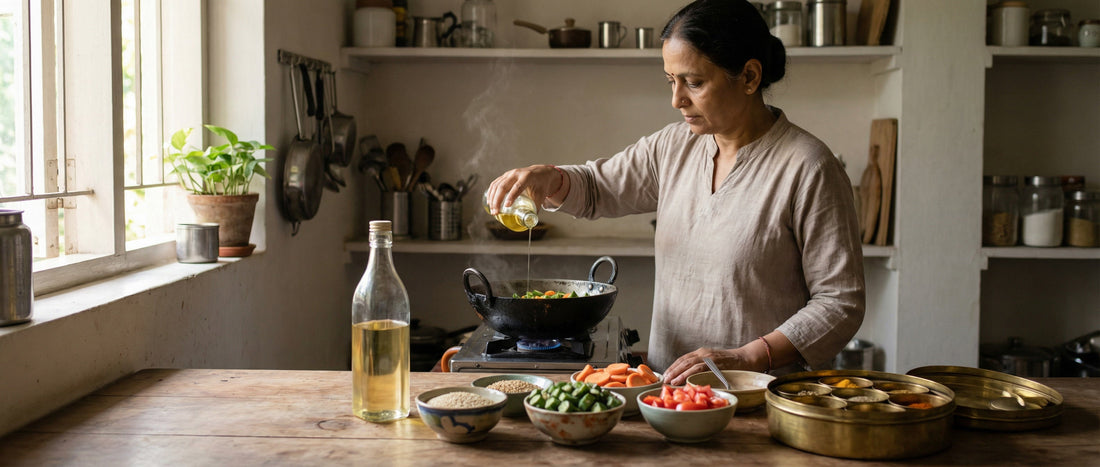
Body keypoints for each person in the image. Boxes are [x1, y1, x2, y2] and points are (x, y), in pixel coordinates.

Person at [484, 0, 865, 385]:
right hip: (668, 394)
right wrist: (548, 177)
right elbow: (599, 187)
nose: (677, 99)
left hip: (758, 396)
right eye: (671, 81)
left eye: (694, 82)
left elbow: (840, 303)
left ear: (749, 77)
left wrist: (747, 357)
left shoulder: (809, 167)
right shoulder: (673, 146)